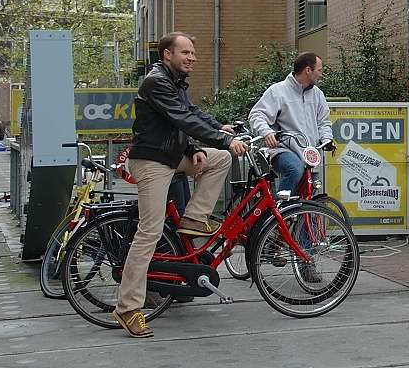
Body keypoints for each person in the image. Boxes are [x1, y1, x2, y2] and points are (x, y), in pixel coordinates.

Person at [112, 32, 247, 339]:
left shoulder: (174, 82)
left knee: (219, 160)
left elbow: (189, 115)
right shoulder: (156, 81)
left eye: (193, 53)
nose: (192, 57)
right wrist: (226, 139)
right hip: (152, 163)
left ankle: (193, 218)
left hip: (171, 156)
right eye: (185, 52)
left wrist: (214, 131)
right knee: (150, 231)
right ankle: (128, 307)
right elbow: (181, 118)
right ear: (166, 55)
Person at [248, 52, 333, 283]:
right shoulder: (278, 91)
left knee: (309, 208)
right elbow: (256, 115)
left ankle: (306, 260)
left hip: (310, 156)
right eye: (319, 69)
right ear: (307, 70)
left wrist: (326, 139)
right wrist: (266, 132)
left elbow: (324, 122)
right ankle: (278, 214)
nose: (321, 73)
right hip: (282, 151)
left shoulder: (317, 95)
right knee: (294, 169)